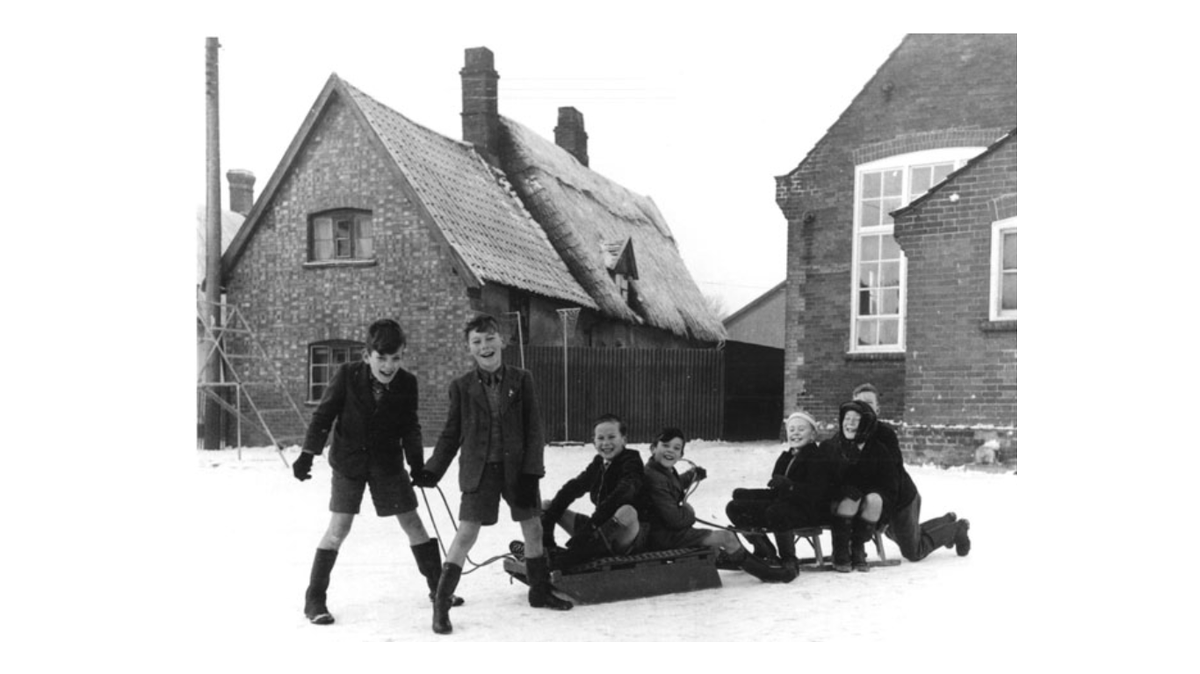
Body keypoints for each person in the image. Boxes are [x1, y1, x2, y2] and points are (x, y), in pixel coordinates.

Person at [413, 314, 571, 635]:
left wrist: (532, 473)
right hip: (479, 472)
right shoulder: (461, 388)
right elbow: (450, 434)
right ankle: (441, 605)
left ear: (503, 340)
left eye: (489, 339)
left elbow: (534, 430)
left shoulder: (522, 379)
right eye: (477, 342)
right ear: (469, 349)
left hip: (518, 472)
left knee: (534, 530)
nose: (484, 346)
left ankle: (539, 592)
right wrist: (432, 470)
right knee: (466, 534)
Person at [291, 318, 454, 626]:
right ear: (367, 356)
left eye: (395, 358)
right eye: (381, 358)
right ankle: (314, 599)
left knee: (413, 525)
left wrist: (417, 465)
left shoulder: (407, 383)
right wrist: (307, 454)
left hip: (387, 464)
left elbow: (410, 427)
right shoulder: (347, 375)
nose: (389, 366)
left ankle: (439, 588)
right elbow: (323, 416)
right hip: (349, 463)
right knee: (339, 528)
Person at [638, 427, 793, 583]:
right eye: (665, 445)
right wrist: (688, 512)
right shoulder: (654, 477)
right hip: (664, 537)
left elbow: (671, 486)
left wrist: (691, 476)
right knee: (726, 537)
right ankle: (767, 573)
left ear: (681, 455)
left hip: (668, 533)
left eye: (676, 448)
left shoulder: (659, 470)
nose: (670, 451)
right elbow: (675, 519)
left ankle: (755, 563)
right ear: (653, 448)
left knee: (720, 541)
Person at [851, 383, 970, 561]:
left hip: (900, 499)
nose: (863, 407)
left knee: (914, 551)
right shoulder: (848, 432)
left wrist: (883, 516)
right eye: (858, 403)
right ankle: (945, 521)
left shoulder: (885, 435)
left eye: (868, 403)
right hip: (878, 500)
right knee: (901, 536)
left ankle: (956, 529)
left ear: (877, 409)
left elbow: (892, 477)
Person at [725, 410, 843, 578]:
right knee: (735, 507)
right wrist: (748, 494)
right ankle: (763, 549)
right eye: (792, 429)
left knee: (777, 511)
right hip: (786, 505)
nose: (795, 433)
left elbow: (817, 493)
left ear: (813, 434)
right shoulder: (785, 457)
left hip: (812, 510)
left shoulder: (818, 458)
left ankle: (789, 559)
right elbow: (776, 493)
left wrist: (790, 487)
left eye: (801, 429)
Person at [539, 413, 646, 567]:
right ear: (594, 442)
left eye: (611, 437)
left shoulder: (632, 461)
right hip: (600, 531)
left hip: (628, 537)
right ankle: (549, 550)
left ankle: (578, 554)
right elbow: (574, 487)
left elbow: (624, 492)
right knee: (548, 506)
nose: (606, 443)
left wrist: (591, 527)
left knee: (627, 510)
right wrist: (549, 522)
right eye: (600, 438)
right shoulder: (599, 463)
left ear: (624, 440)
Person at [826, 399, 902, 573]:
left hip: (866, 504)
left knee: (874, 499)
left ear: (866, 424)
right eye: (847, 418)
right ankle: (841, 549)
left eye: (856, 420)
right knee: (851, 497)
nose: (850, 423)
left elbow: (890, 484)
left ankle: (858, 546)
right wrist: (841, 489)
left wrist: (869, 494)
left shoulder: (878, 450)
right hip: (836, 504)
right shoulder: (831, 446)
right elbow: (822, 480)